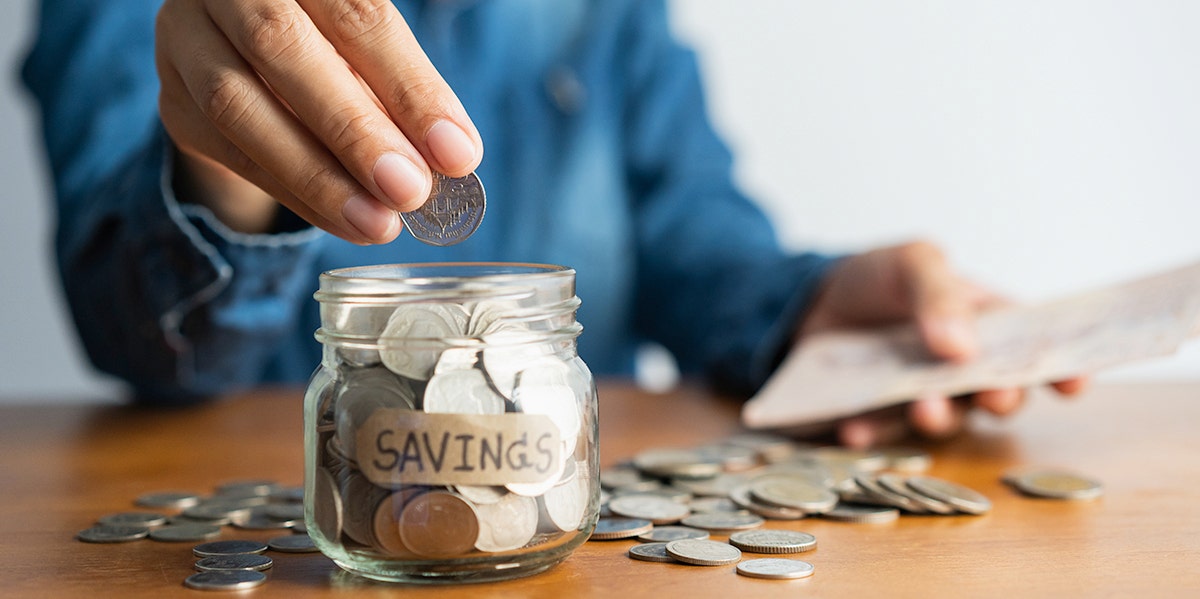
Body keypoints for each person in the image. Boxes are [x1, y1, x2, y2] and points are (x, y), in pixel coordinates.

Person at [21, 0, 1083, 447]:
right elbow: (142, 338)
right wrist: (222, 155)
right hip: (286, 510)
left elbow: (689, 235)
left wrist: (808, 304)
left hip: (567, 495)